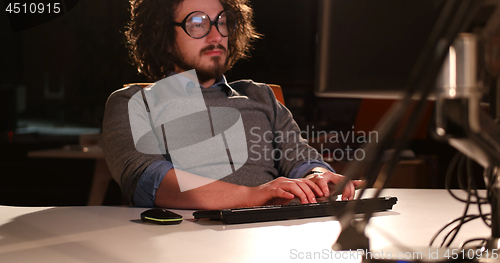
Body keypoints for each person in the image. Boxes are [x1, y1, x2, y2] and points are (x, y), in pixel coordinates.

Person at [102, 0, 363, 210]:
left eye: (222, 22)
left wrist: (316, 177)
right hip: (185, 240)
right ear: (164, 38)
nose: (216, 35)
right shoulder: (133, 103)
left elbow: (301, 159)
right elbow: (150, 180)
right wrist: (252, 196)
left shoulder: (260, 96)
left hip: (272, 235)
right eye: (197, 24)